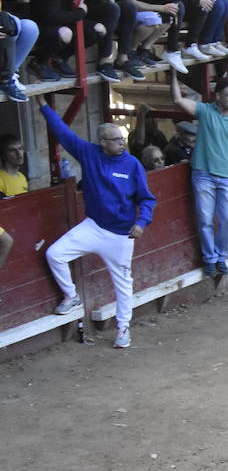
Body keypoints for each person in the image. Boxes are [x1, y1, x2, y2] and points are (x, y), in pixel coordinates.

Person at [41, 105, 155, 349]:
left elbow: (146, 199)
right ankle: (71, 296)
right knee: (54, 254)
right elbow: (63, 133)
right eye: (116, 140)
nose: (122, 143)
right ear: (103, 142)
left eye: (122, 139)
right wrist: (44, 107)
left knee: (123, 284)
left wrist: (141, 222)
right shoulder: (88, 153)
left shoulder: (133, 164)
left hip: (122, 235)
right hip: (94, 226)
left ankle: (123, 329)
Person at [169, 74, 228, 281]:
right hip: (203, 173)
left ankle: (219, 255)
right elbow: (178, 101)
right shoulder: (205, 111)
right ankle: (211, 259)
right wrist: (173, 77)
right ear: (218, 96)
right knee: (205, 218)